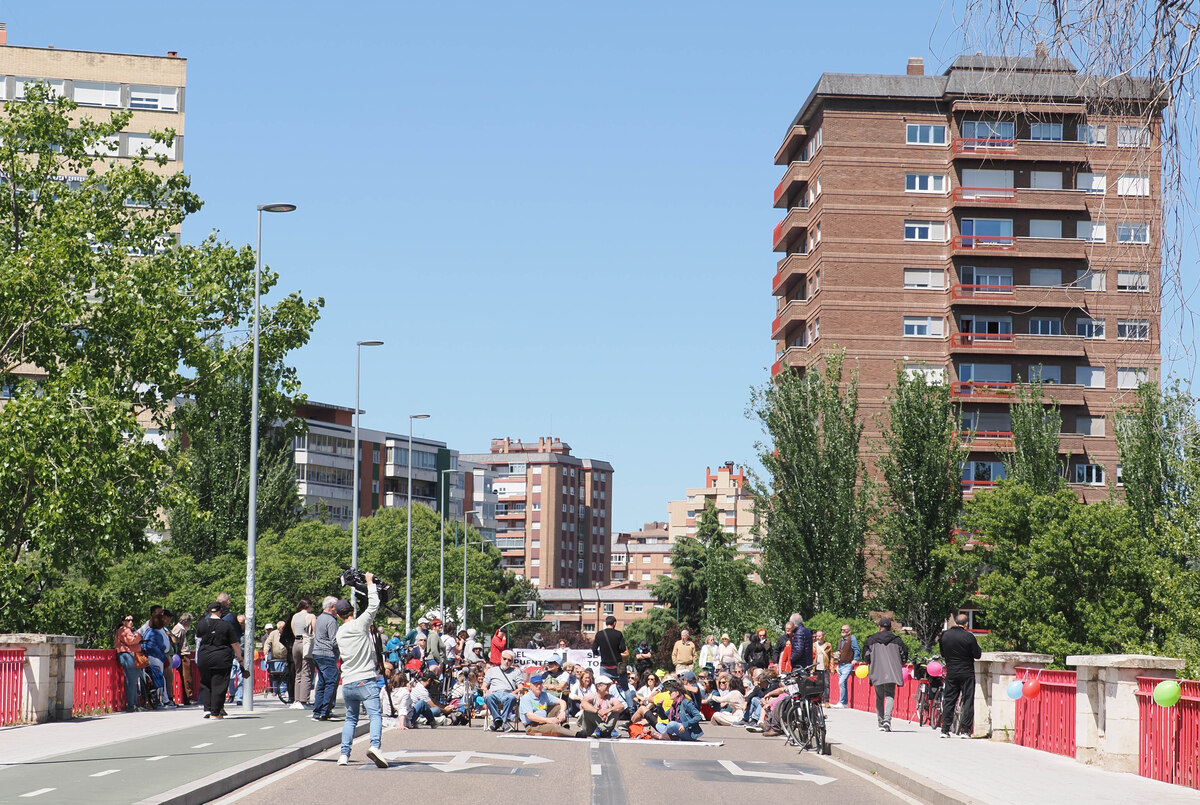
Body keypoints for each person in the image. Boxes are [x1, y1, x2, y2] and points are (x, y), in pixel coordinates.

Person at [332, 573, 388, 768]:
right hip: (365, 679)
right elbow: (373, 605)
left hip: (347, 682)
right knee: (374, 715)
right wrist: (370, 583)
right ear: (353, 610)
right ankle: (375, 746)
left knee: (350, 719)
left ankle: (344, 755)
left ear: (338, 615)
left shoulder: (339, 632)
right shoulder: (360, 624)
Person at [195, 601, 242, 719]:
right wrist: (239, 658)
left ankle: (207, 708)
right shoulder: (226, 625)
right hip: (221, 657)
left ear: (209, 611)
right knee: (219, 683)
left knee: (205, 682)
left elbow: (199, 639)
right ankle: (215, 711)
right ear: (221, 611)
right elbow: (235, 643)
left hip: (204, 656)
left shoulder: (202, 624)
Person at [939, 613, 982, 738]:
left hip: (951, 671)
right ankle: (965, 730)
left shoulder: (945, 636)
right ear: (966, 624)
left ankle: (945, 729)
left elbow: (942, 653)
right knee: (968, 700)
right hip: (966, 672)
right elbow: (977, 654)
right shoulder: (969, 636)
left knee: (949, 700)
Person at [864, 617, 908, 732]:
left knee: (879, 697)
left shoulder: (871, 639)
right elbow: (904, 656)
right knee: (889, 695)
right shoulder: (897, 640)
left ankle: (880, 722)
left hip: (876, 671)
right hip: (891, 672)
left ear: (879, 627)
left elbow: (866, 657)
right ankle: (887, 720)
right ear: (890, 627)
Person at [311, 596, 340, 721]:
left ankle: (317, 711)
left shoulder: (319, 618)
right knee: (331, 682)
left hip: (317, 653)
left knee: (322, 683)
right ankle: (326, 711)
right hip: (327, 654)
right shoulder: (331, 621)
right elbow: (334, 640)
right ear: (332, 607)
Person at [482, 650, 523, 730]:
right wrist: (486, 691)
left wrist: (514, 692)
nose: (506, 661)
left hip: (508, 693)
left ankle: (498, 722)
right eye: (504, 659)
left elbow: (520, 687)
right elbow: (484, 686)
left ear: (512, 662)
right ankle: (501, 721)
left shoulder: (516, 672)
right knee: (488, 697)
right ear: (501, 659)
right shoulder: (491, 671)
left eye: (509, 660)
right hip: (494, 693)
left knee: (512, 698)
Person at [139, 606, 170, 706]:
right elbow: (163, 646)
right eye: (159, 613)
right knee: (159, 677)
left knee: (158, 677)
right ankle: (163, 700)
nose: (161, 614)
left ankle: (161, 699)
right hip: (156, 656)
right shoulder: (152, 630)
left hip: (157, 656)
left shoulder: (157, 629)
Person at [289, 599, 315, 709]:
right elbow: (315, 630)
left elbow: (293, 630)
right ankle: (304, 700)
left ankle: (297, 699)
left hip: (296, 642)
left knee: (298, 672)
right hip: (306, 643)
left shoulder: (294, 616)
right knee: (307, 671)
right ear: (308, 606)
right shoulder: (310, 616)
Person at [114, 614, 143, 712]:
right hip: (126, 655)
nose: (130, 622)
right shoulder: (123, 630)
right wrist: (138, 636)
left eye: (132, 620)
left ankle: (134, 703)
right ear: (123, 621)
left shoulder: (131, 630)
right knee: (130, 680)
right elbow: (131, 640)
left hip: (132, 655)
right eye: (128, 620)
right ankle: (131, 704)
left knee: (133, 680)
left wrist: (137, 636)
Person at [592, 615, 627, 682]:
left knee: (603, 686)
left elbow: (594, 649)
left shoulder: (599, 634)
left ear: (606, 623)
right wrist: (617, 651)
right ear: (614, 623)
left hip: (605, 665)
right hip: (617, 665)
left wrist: (599, 653)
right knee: (625, 687)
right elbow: (623, 648)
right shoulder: (618, 634)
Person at [833, 623, 861, 708]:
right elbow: (840, 651)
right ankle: (844, 703)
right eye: (842, 630)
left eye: (844, 630)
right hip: (841, 664)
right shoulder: (840, 640)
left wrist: (855, 659)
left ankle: (842, 702)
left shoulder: (852, 638)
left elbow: (856, 649)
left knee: (841, 682)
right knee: (843, 683)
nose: (843, 631)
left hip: (848, 664)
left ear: (849, 631)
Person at [172, 613, 194, 706]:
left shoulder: (180, 629)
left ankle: (187, 697)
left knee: (186, 677)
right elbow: (175, 641)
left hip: (182, 654)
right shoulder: (179, 629)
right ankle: (187, 697)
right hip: (182, 655)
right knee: (186, 677)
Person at [813, 629, 833, 704]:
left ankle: (826, 701)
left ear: (823, 636)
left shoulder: (828, 645)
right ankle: (817, 700)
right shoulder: (814, 645)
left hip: (825, 667)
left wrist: (832, 667)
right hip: (816, 668)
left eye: (819, 636)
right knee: (817, 685)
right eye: (817, 636)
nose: (818, 637)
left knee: (826, 685)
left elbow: (831, 657)